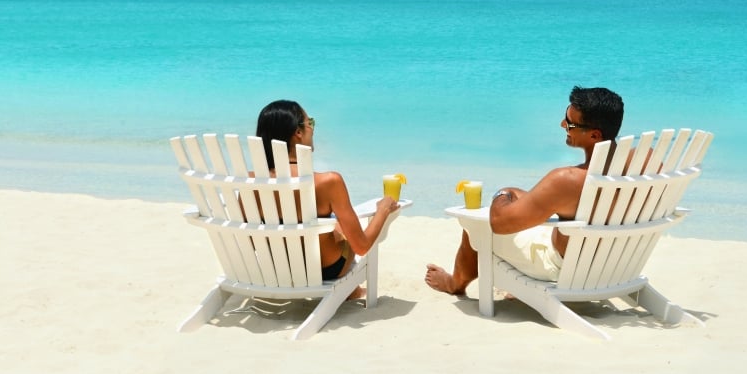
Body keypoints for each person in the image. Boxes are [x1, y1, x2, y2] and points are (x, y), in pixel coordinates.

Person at [425, 86, 624, 294]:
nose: (562, 124)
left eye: (570, 123)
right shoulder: (639, 168)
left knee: (474, 226)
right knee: (520, 197)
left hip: (563, 267)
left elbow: (499, 223)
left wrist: (502, 194)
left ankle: (454, 284)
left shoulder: (567, 180)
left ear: (594, 135)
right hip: (612, 263)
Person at [256, 100, 400, 288]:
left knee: (333, 222)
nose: (313, 130)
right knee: (340, 226)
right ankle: (350, 290)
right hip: (326, 268)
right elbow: (362, 247)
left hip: (278, 268)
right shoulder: (329, 182)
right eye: (310, 123)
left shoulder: (251, 182)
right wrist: (382, 210)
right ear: (298, 133)